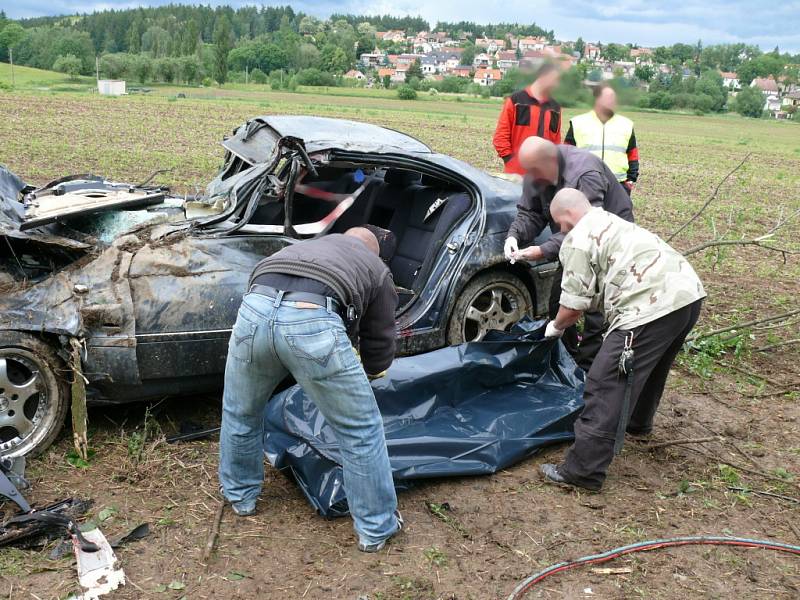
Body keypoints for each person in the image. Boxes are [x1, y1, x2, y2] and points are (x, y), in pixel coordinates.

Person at [218, 227, 403, 553]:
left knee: (241, 411)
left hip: (253, 311)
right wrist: (372, 373)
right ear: (373, 251)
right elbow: (378, 337)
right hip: (311, 320)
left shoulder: (306, 247)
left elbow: (260, 291)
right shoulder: (376, 268)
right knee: (360, 429)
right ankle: (376, 528)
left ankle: (240, 497)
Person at [540, 189, 706, 491]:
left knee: (606, 382)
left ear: (566, 217)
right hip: (687, 294)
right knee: (651, 366)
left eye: (560, 225)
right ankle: (638, 424)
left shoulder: (578, 239)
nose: (561, 231)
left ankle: (582, 472)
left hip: (649, 305)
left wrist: (554, 329)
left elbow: (572, 307)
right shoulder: (608, 220)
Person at [504, 137, 634, 370]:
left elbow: (586, 228)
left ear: (553, 161)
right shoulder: (537, 171)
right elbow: (530, 213)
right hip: (571, 238)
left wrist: (543, 250)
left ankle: (588, 368)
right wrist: (514, 236)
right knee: (559, 300)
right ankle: (567, 360)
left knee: (596, 309)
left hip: (607, 241)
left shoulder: (585, 174)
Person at [564, 83, 639, 195]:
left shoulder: (626, 124)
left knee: (618, 213)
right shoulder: (578, 123)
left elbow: (632, 154)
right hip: (585, 184)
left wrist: (631, 179)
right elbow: (567, 154)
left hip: (618, 185)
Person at [493, 62, 562, 176]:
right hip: (515, 175)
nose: (557, 84)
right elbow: (500, 137)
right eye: (555, 79)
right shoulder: (516, 100)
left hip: (543, 177)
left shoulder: (556, 107)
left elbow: (555, 143)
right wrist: (511, 162)